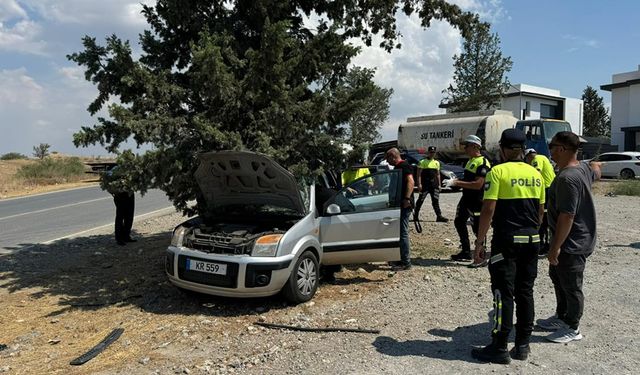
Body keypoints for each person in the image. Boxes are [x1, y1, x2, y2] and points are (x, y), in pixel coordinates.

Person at [470, 128, 545, 364]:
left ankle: (499, 346)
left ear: (503, 149)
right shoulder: (536, 174)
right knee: (526, 292)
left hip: (507, 241)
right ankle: (522, 345)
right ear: (522, 149)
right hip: (532, 240)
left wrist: (480, 242)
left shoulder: (498, 172)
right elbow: (540, 211)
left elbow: (489, 208)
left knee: (504, 292)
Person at [536, 131, 601, 344]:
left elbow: (567, 215)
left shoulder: (567, 178)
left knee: (572, 285)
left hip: (572, 242)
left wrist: (555, 247)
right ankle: (561, 317)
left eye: (552, 146)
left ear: (562, 149)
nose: (550, 150)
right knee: (558, 278)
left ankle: (572, 327)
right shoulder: (581, 167)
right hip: (571, 239)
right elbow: (595, 169)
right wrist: (596, 165)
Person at [449, 135, 491, 263]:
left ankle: (481, 255)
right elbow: (468, 180)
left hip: (477, 201)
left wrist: (457, 183)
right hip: (466, 199)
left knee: (478, 228)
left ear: (475, 146)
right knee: (459, 221)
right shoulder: (470, 160)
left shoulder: (483, 162)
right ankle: (466, 251)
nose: (464, 148)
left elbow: (478, 184)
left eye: (467, 146)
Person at [385, 148, 414, 271]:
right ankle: (400, 258)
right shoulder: (398, 167)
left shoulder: (404, 166)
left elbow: (410, 182)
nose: (387, 161)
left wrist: (407, 198)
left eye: (388, 158)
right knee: (398, 232)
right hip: (398, 204)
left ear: (393, 156)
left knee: (403, 233)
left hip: (404, 204)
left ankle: (406, 262)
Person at [525, 148, 556, 255]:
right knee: (548, 217)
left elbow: (535, 173)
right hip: (552, 188)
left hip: (546, 189)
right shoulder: (543, 157)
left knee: (544, 218)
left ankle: (544, 245)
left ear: (528, 156)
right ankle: (546, 243)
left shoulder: (536, 159)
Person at [414, 146, 448, 223]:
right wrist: (419, 184)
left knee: (435, 201)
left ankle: (439, 216)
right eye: (431, 152)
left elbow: (438, 174)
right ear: (428, 152)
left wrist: (439, 185)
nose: (432, 154)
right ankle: (415, 215)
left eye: (433, 152)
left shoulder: (437, 163)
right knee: (420, 200)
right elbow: (418, 174)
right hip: (425, 185)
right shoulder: (422, 162)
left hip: (434, 185)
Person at [104, 166, 136, 246]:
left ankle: (126, 236)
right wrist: (114, 193)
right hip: (120, 195)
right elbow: (107, 182)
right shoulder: (116, 169)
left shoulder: (132, 169)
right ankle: (119, 238)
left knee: (129, 216)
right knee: (120, 217)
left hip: (130, 194)